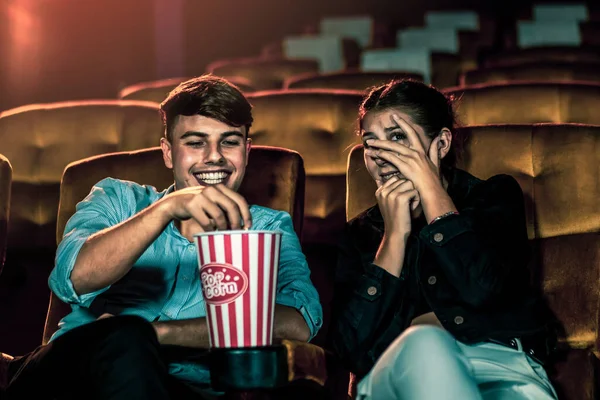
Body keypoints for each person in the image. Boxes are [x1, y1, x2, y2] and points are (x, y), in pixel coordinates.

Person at [3, 75, 323, 399]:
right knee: (123, 342)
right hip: (71, 377)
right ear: (168, 153)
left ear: (247, 150)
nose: (214, 156)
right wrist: (166, 209)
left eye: (229, 141)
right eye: (195, 142)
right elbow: (73, 277)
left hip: (179, 389)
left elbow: (299, 322)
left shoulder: (268, 227)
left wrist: (159, 333)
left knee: (133, 342)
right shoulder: (117, 198)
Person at [328, 80, 558, 399]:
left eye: (398, 138)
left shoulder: (492, 197)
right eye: (370, 143)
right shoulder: (358, 234)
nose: (380, 156)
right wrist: (395, 234)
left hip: (501, 366)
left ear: (441, 143)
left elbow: (484, 289)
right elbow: (348, 351)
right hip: (398, 376)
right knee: (425, 343)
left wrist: (430, 188)